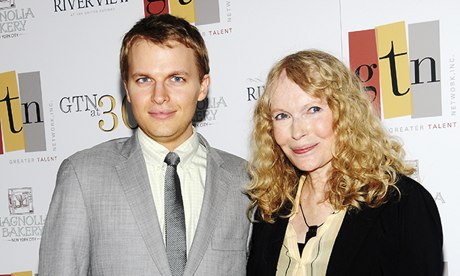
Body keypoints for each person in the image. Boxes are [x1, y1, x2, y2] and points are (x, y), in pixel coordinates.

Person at [39, 14, 250, 276]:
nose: (159, 96)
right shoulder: (83, 176)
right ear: (127, 88)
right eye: (144, 80)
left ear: (202, 86)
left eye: (176, 79)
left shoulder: (245, 181)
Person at [246, 49, 443, 276]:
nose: (297, 131)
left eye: (313, 110)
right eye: (282, 116)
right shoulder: (272, 206)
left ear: (345, 112)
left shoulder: (402, 205)